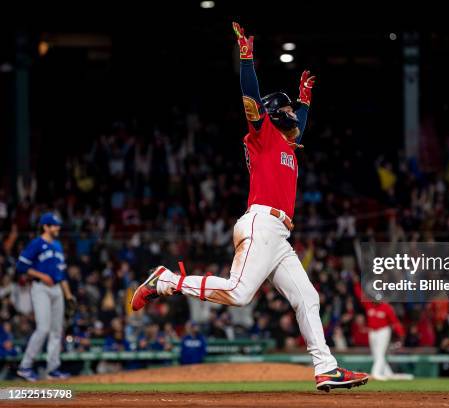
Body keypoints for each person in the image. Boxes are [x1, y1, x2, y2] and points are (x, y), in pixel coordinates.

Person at [131, 22, 368, 392]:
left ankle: (326, 369)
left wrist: (305, 101)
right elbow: (252, 99)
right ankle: (165, 280)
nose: (292, 113)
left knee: (308, 297)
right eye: (287, 108)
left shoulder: (286, 145)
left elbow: (298, 130)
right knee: (239, 294)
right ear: (275, 114)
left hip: (278, 235)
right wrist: (246, 59)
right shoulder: (263, 134)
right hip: (260, 224)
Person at [16, 212, 75, 381]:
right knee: (43, 328)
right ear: (45, 227)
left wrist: (68, 295)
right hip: (40, 288)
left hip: (57, 289)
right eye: (54, 225)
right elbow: (21, 265)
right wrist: (41, 275)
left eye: (57, 225)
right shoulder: (36, 244)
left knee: (57, 330)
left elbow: (61, 273)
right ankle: (25, 366)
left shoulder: (57, 246)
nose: (57, 228)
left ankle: (53, 369)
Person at [353, 279, 413, 380]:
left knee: (380, 353)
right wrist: (356, 283)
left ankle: (375, 373)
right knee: (376, 354)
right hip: (372, 332)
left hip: (383, 331)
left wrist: (401, 334)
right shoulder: (369, 305)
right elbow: (360, 295)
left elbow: (395, 322)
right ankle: (387, 373)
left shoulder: (386, 307)